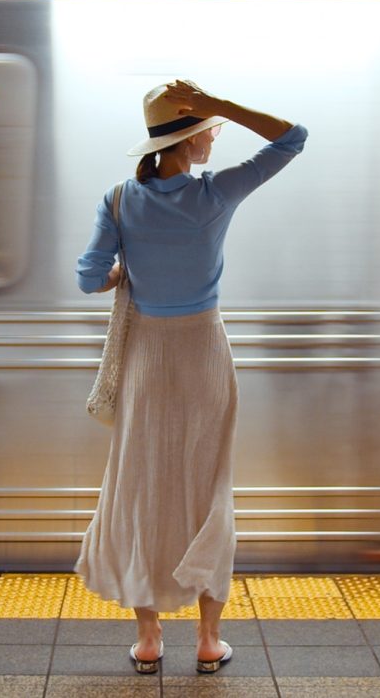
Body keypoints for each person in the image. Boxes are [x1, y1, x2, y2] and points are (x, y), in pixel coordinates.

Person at [74, 79, 307, 675]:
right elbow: (292, 138)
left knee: (140, 486)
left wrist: (124, 271)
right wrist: (223, 102)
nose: (214, 135)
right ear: (193, 135)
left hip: (147, 359)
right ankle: (208, 639)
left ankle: (149, 638)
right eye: (209, 127)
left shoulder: (120, 200)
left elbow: (88, 277)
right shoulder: (216, 194)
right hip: (204, 352)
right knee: (208, 488)